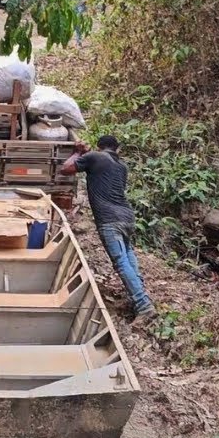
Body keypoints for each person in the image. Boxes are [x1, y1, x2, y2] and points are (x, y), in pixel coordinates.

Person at [59, 134, 157, 325]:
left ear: (99, 146)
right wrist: (87, 154)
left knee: (121, 262)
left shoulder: (95, 157)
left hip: (109, 219)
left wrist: (77, 152)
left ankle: (144, 306)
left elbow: (66, 169)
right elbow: (99, 169)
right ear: (116, 148)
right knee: (128, 258)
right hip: (127, 217)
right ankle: (139, 297)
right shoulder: (121, 166)